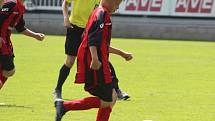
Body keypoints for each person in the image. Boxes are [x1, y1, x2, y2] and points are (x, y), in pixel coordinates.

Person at [55, 0, 124, 120]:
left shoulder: (99, 13)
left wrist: (122, 53)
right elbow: (93, 39)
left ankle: (64, 106)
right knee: (108, 100)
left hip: (100, 62)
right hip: (96, 64)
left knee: (112, 96)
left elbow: (101, 43)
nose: (117, 8)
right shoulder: (101, 14)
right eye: (117, 4)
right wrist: (95, 59)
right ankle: (64, 106)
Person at [0, 0, 45, 89]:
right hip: (2, 41)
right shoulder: (11, 4)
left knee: (9, 71)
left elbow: (20, 27)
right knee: (8, 69)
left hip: (6, 41)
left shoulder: (20, 7)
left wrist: (35, 35)